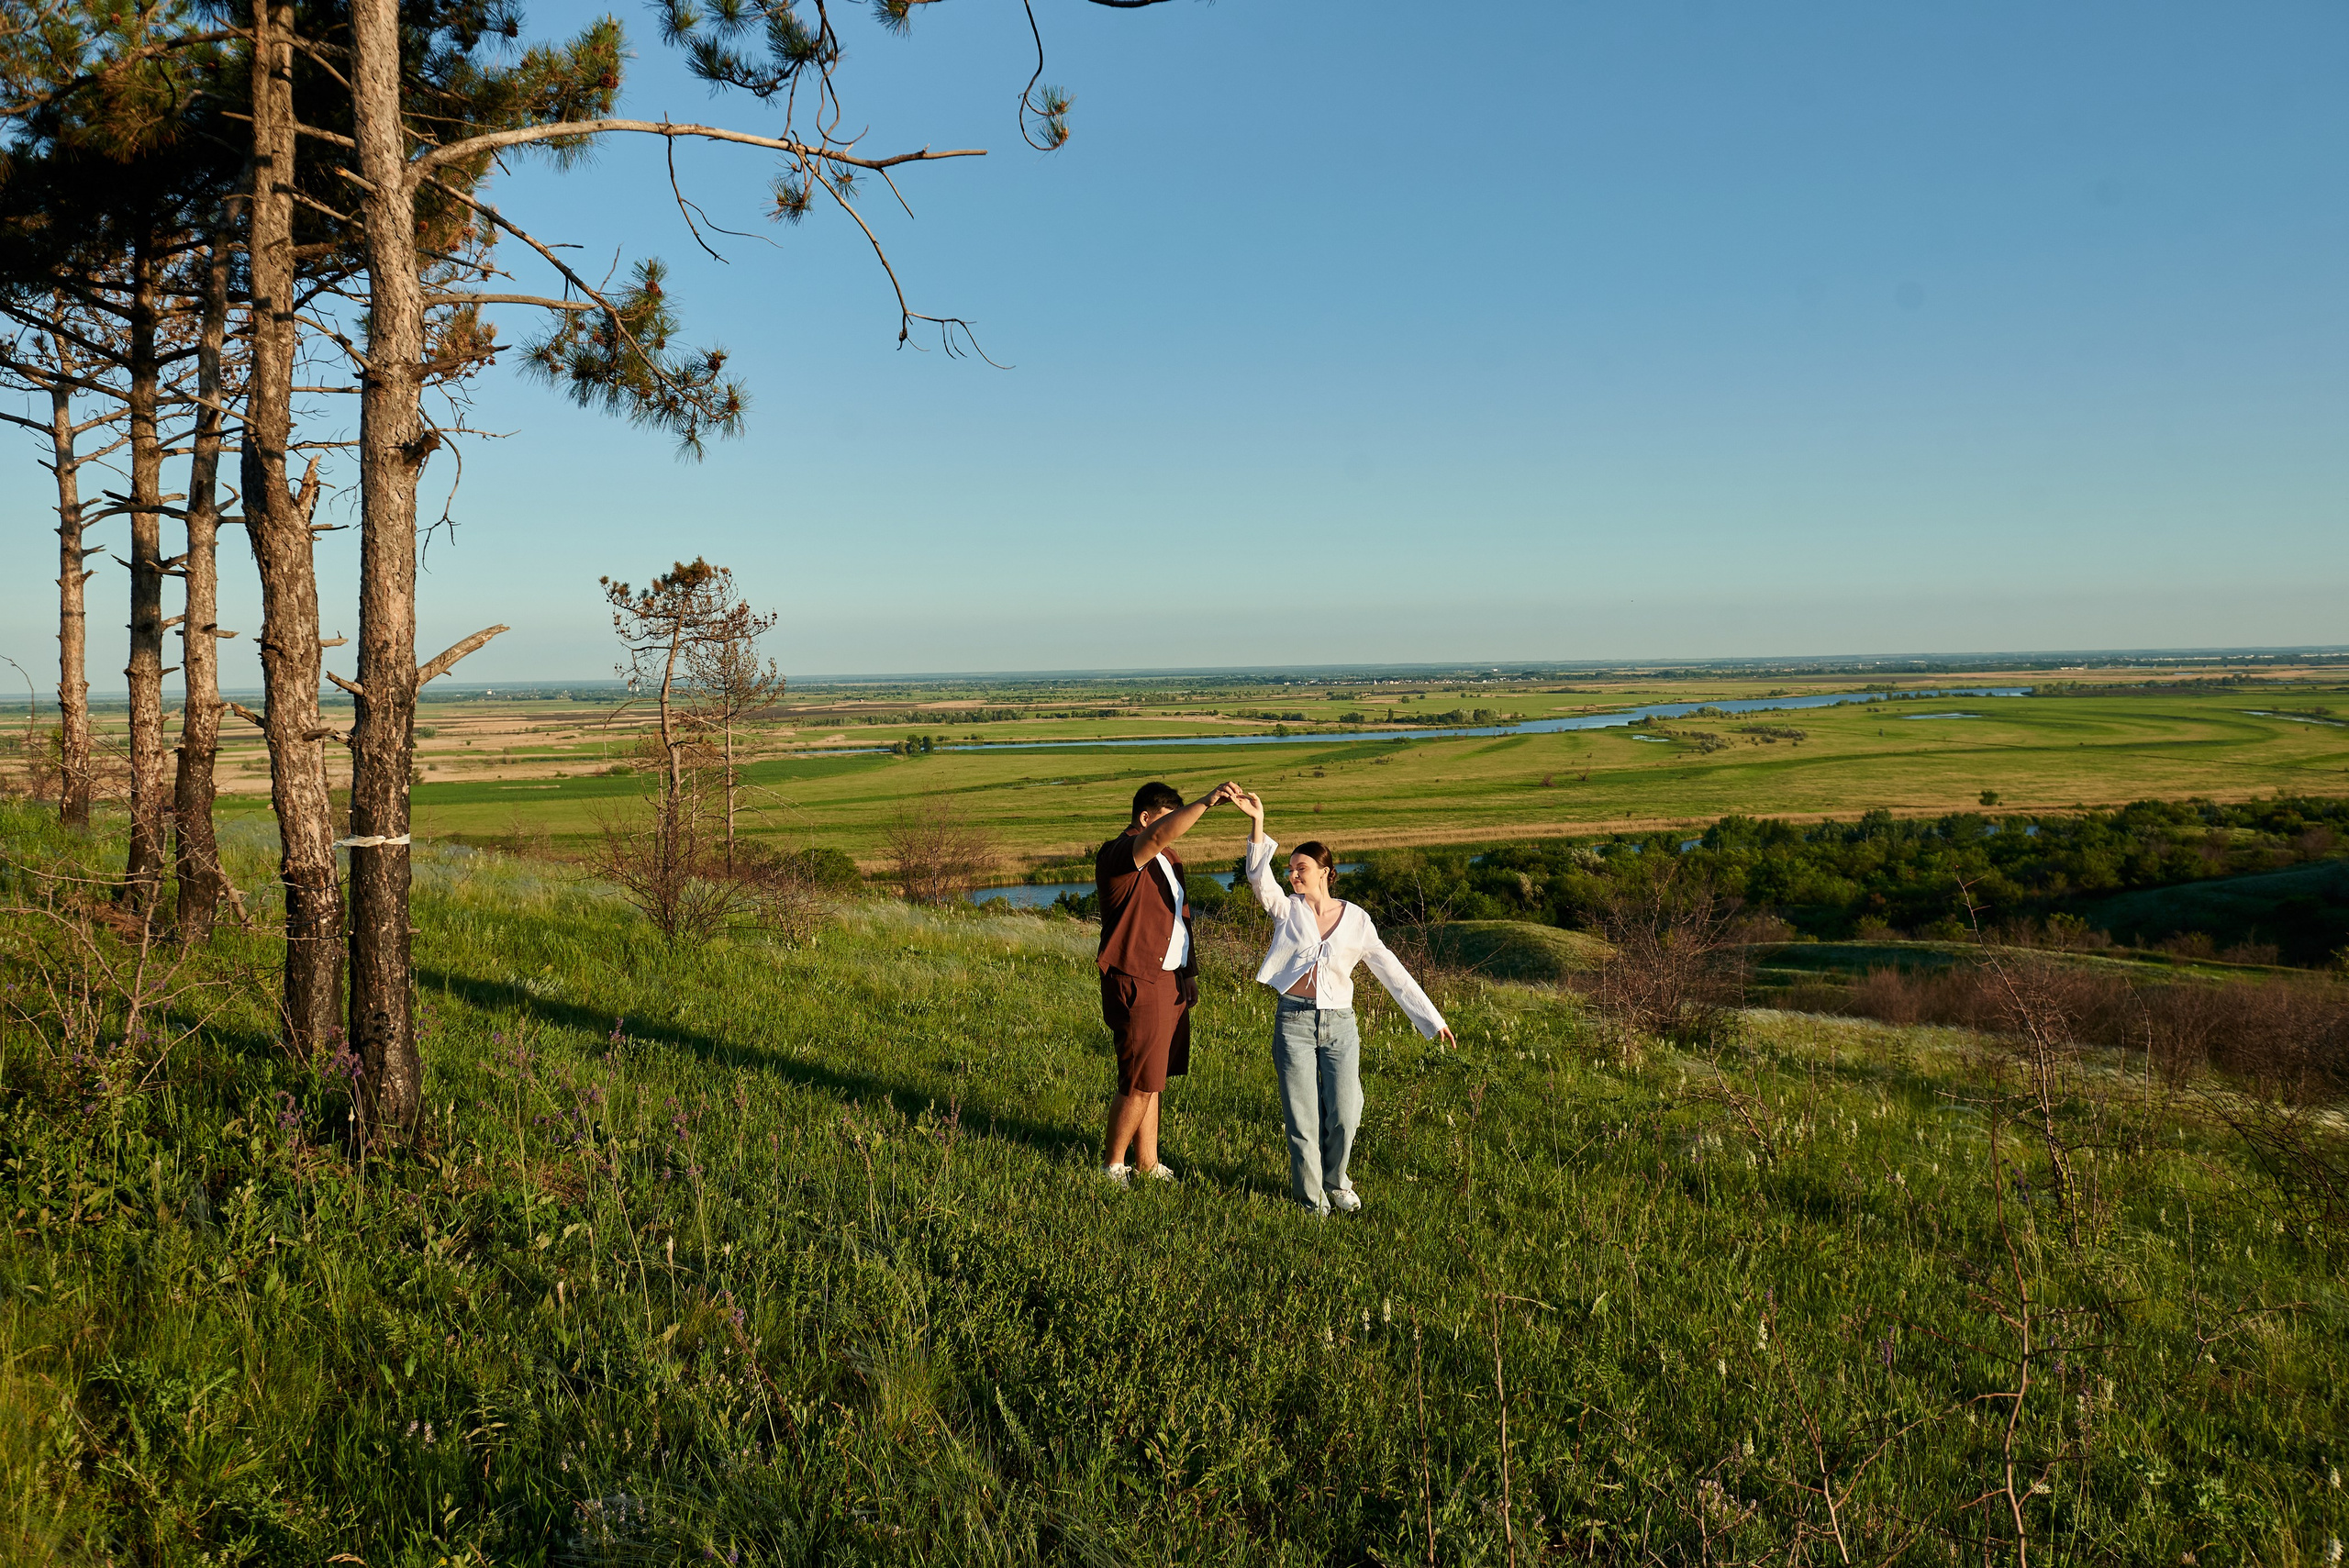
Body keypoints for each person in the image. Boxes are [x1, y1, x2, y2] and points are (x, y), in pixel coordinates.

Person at [1233, 790, 1454, 1213]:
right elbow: (1259, 880)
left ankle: (1336, 1182)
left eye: (1302, 869)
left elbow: (1390, 968)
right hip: (1293, 1021)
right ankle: (1311, 1199)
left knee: (1345, 1113)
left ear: (1326, 873)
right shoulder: (1287, 909)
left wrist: (1431, 1018)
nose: (1293, 876)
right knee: (1302, 1118)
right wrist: (1258, 822)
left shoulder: (1356, 919)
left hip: (1340, 1026)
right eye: (1291, 869)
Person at [1095, 778, 1239, 1184]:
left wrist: (1188, 971)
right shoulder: (1121, 853)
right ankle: (1111, 1166)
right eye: (1168, 816)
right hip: (1139, 977)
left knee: (1154, 1080)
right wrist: (1207, 802)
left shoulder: (1170, 859)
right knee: (1139, 1080)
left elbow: (1181, 918)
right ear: (1145, 818)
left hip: (1169, 978)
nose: (1175, 825)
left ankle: (1147, 1162)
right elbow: (1158, 835)